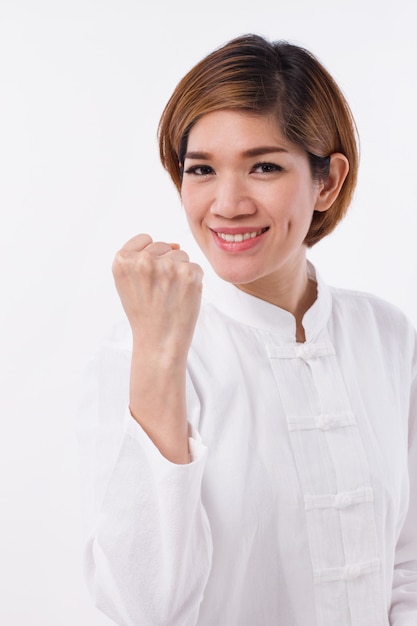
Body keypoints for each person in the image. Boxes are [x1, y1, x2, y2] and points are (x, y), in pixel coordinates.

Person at [77, 34, 417, 625]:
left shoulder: (386, 335)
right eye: (202, 169)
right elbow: (143, 608)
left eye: (263, 166)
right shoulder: (136, 351)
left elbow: (407, 562)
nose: (227, 203)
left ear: (328, 183)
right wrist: (160, 354)